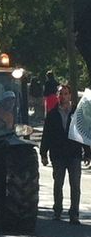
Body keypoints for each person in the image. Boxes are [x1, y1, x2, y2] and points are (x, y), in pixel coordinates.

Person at [40, 84, 91, 224]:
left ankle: (74, 214)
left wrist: (87, 153)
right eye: (61, 94)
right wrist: (43, 153)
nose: (63, 96)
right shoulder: (52, 114)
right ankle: (57, 210)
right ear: (58, 96)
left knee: (75, 185)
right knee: (58, 183)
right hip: (57, 154)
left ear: (70, 95)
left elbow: (83, 133)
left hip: (74, 154)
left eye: (66, 93)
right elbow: (46, 135)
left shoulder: (77, 113)